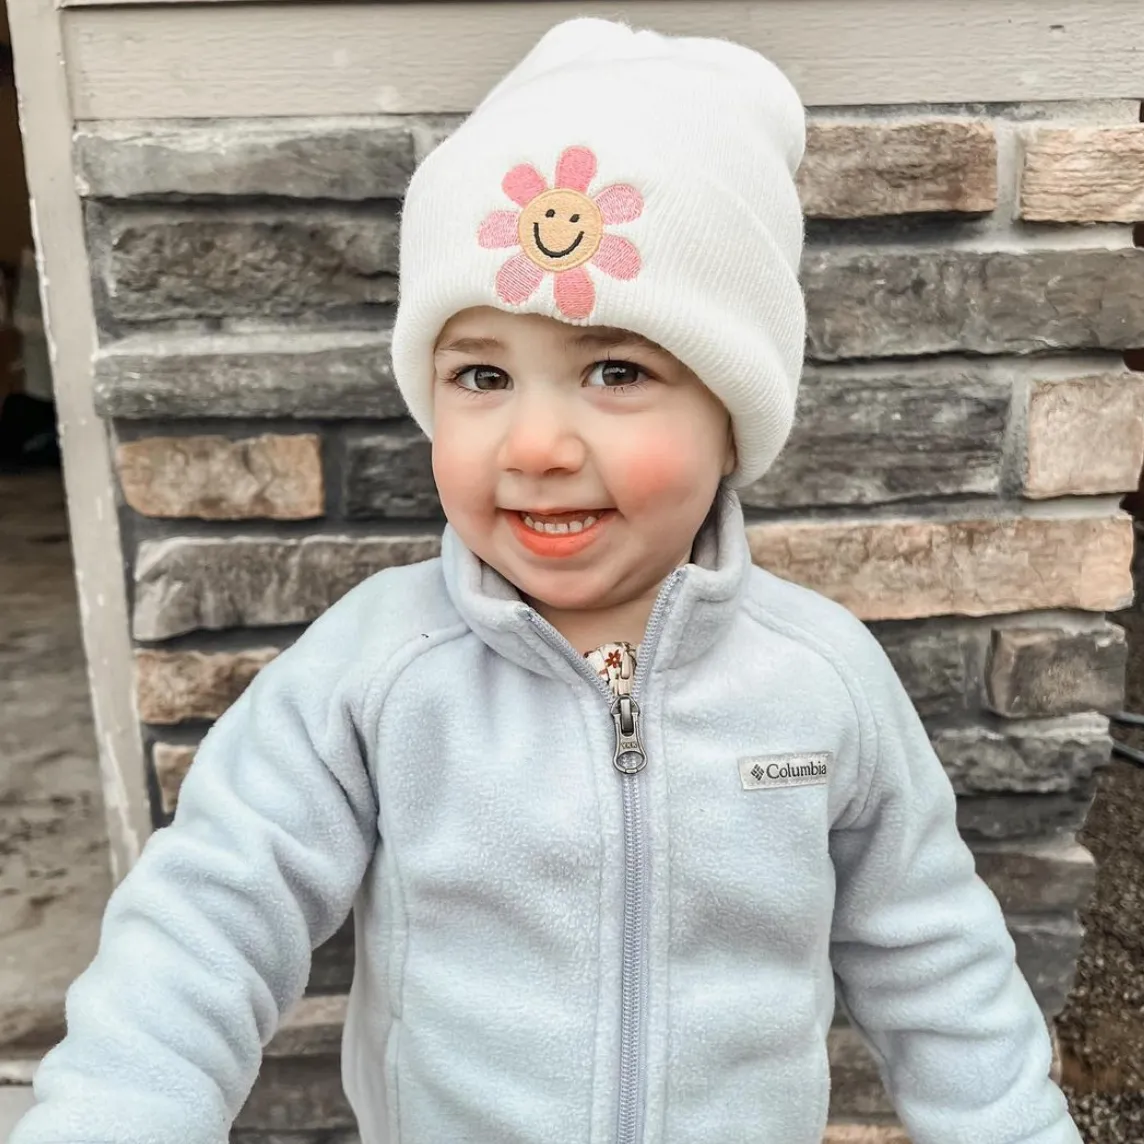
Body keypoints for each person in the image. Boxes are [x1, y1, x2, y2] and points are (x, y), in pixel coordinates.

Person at [11, 17, 1081, 1144]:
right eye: (479, 374)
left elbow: (938, 964)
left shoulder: (823, 680)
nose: (533, 444)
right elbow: (205, 924)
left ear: (735, 415)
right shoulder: (376, 673)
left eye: (615, 370)